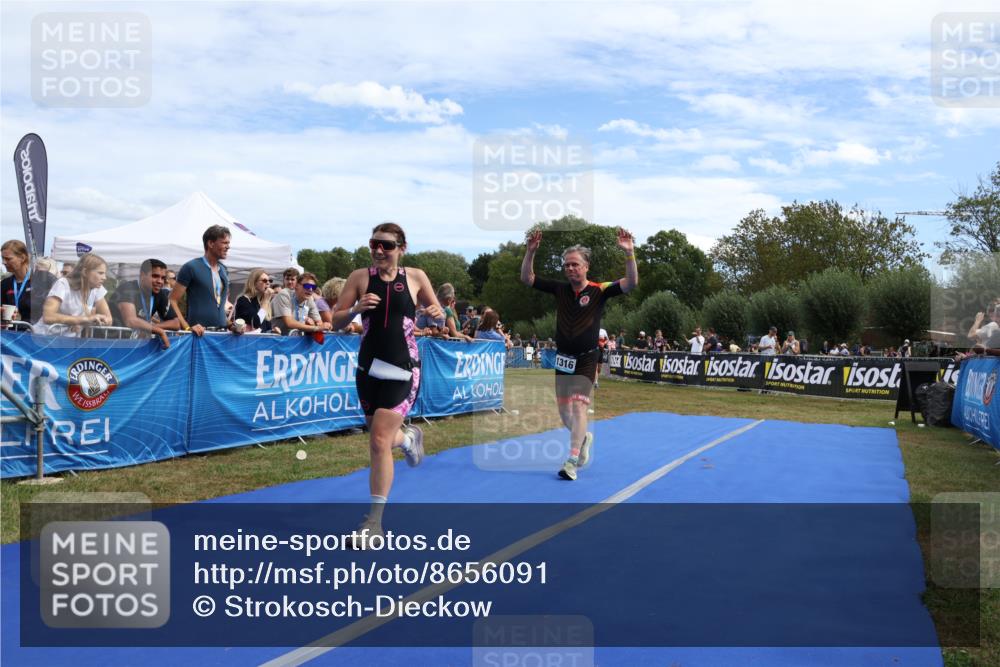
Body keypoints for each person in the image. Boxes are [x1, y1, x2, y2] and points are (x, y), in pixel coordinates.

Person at [329, 223, 444, 546]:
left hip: (403, 368)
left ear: (401, 248)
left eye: (386, 245)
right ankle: (408, 438)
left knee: (379, 440)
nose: (379, 250)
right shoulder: (359, 277)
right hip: (368, 368)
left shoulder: (416, 277)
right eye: (374, 244)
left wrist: (437, 313)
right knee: (380, 437)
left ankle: (374, 523)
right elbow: (335, 321)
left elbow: (441, 318)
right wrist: (355, 309)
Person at [521, 227, 638, 481]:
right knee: (565, 414)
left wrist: (629, 254)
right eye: (566, 265)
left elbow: (631, 283)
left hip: (586, 358)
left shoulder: (599, 289)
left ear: (586, 267)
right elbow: (528, 278)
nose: (570, 268)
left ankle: (571, 461)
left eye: (575, 264)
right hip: (563, 359)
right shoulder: (559, 289)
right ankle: (583, 438)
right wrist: (530, 252)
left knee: (578, 407)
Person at [170, 225, 233, 335]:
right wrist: (187, 328)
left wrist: (232, 325)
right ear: (211, 243)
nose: (228, 247)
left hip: (221, 335)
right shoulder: (191, 267)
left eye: (228, 243)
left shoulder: (224, 270)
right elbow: (172, 300)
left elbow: (217, 306)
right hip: (199, 335)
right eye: (224, 243)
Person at [109, 258, 180, 347]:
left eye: (163, 278)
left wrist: (152, 328)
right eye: (155, 276)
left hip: (133, 345)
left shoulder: (160, 294)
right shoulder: (127, 288)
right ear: (142, 275)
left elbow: (176, 323)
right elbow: (130, 321)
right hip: (110, 344)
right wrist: (158, 331)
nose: (160, 281)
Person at [41, 252, 113, 335]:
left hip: (68, 340)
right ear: (85, 272)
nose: (104, 278)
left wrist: (99, 320)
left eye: (104, 273)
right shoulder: (63, 284)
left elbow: (109, 319)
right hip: (45, 337)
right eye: (100, 273)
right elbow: (48, 316)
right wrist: (81, 320)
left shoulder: (97, 288)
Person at [2, 239, 57, 326]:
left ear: (22, 258)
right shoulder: (5, 283)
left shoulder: (46, 279)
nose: (3, 262)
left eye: (8, 259)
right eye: (3, 258)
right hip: (12, 332)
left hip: (38, 332)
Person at [235, 268, 279, 333]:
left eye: (270, 280)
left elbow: (265, 328)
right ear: (254, 283)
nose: (268, 283)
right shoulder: (243, 300)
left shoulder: (261, 301)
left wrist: (272, 331)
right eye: (264, 280)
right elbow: (256, 323)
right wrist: (266, 300)